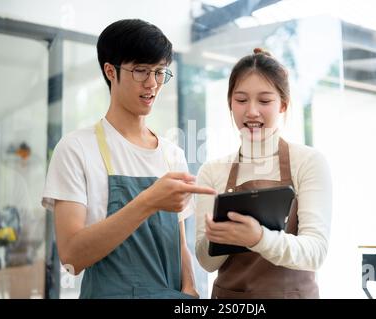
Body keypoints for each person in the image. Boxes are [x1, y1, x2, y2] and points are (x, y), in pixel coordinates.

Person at [42, 19, 216, 299]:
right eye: (140, 71)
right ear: (111, 71)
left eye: (160, 72)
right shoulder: (76, 149)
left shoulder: (173, 154)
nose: (152, 84)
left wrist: (190, 289)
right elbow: (71, 257)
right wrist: (148, 201)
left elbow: (179, 240)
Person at [195, 48, 332, 299]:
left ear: (283, 105)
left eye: (265, 101)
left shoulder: (308, 162)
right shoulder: (212, 171)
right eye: (241, 100)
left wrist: (259, 238)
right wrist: (216, 237)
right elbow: (207, 263)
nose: (252, 111)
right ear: (230, 104)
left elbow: (315, 252)